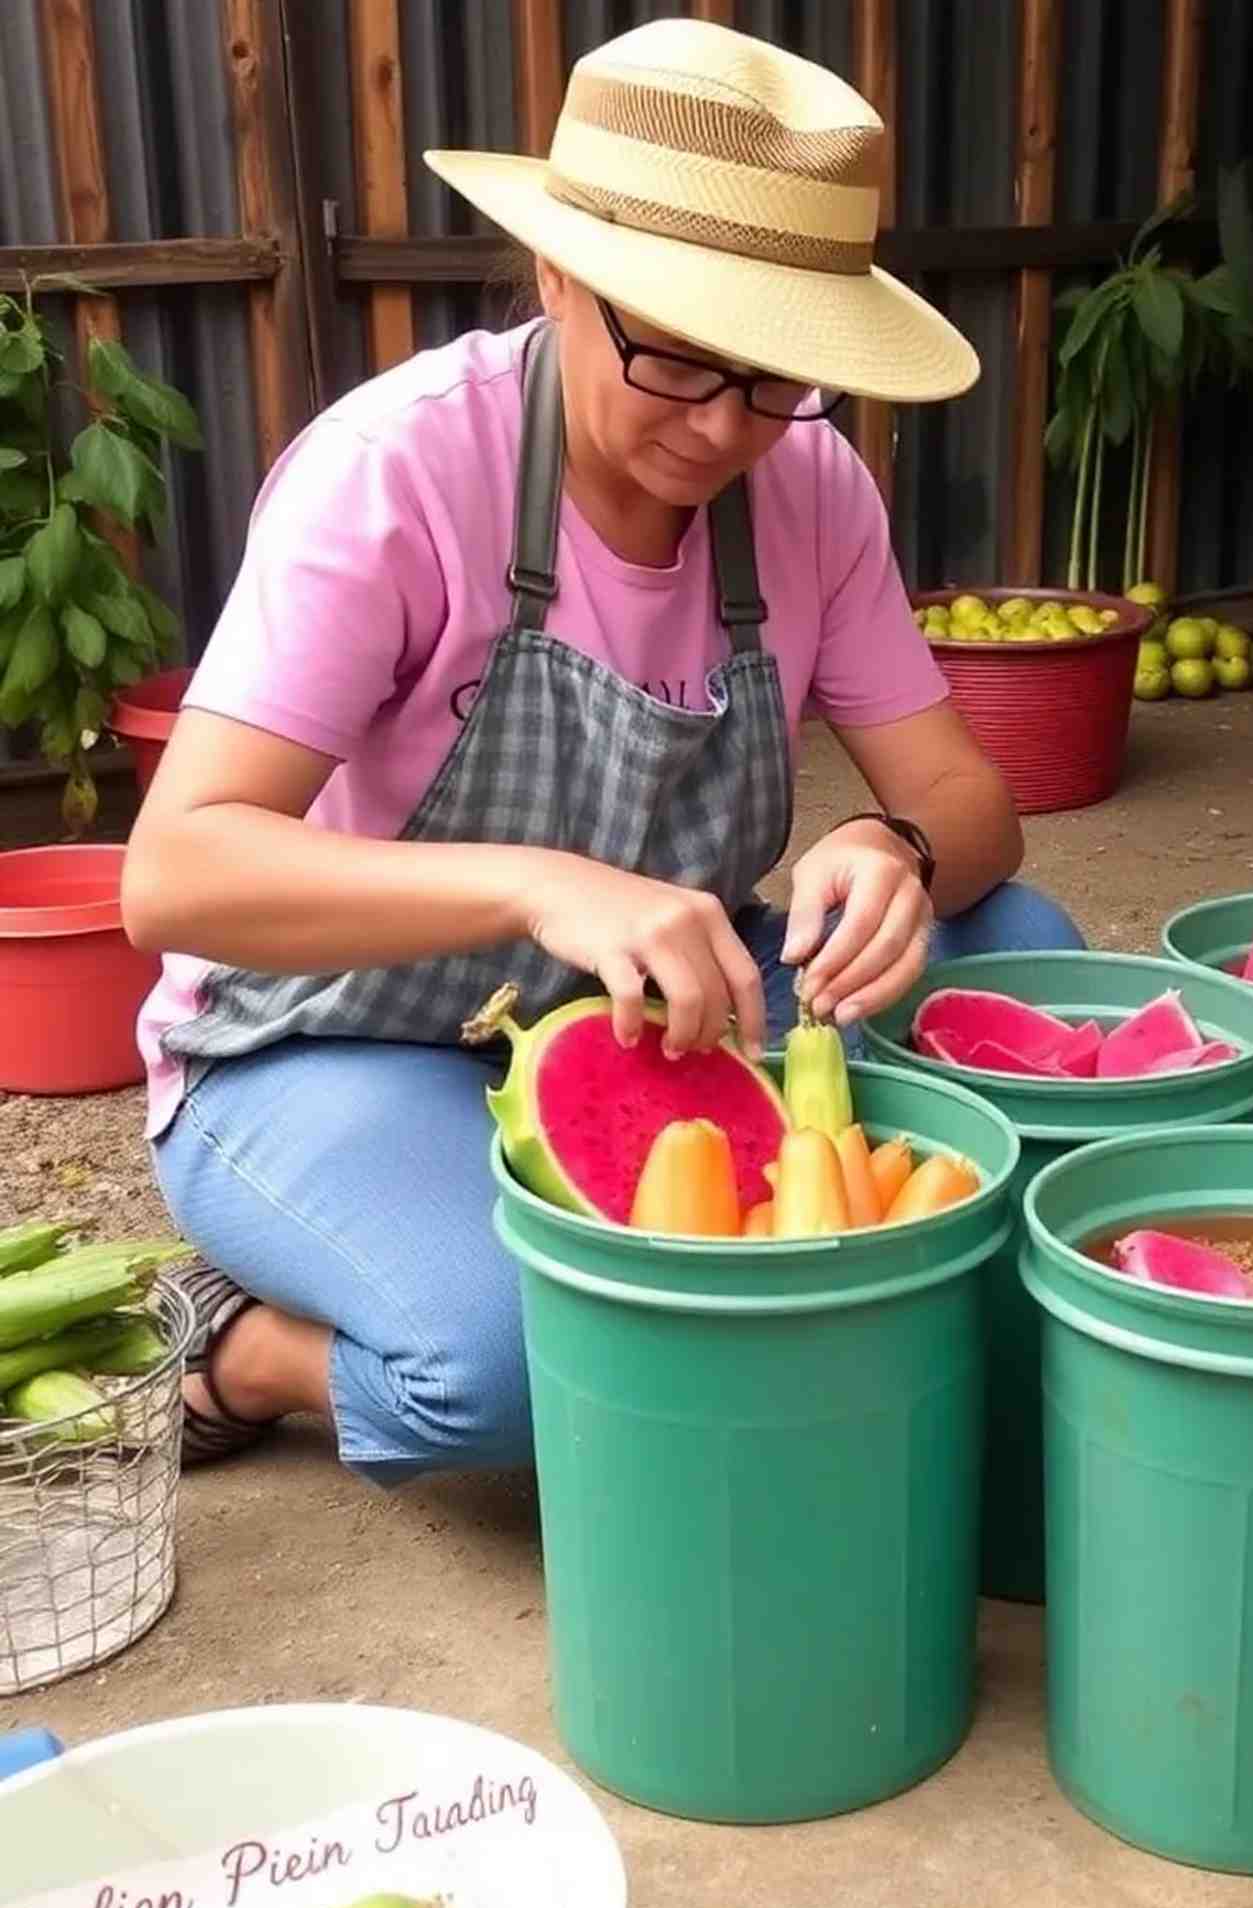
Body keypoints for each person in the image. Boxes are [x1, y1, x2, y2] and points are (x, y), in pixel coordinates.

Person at [121, 18, 1081, 1479]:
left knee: (1020, 941)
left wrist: (902, 846)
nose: (723, 430)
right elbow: (176, 875)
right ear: (560, 274)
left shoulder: (812, 483)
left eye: (774, 378)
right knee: (518, 1373)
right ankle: (246, 1353)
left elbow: (969, 804)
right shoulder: (394, 473)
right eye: (679, 363)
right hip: (333, 1036)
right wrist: (539, 886)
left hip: (669, 1000)